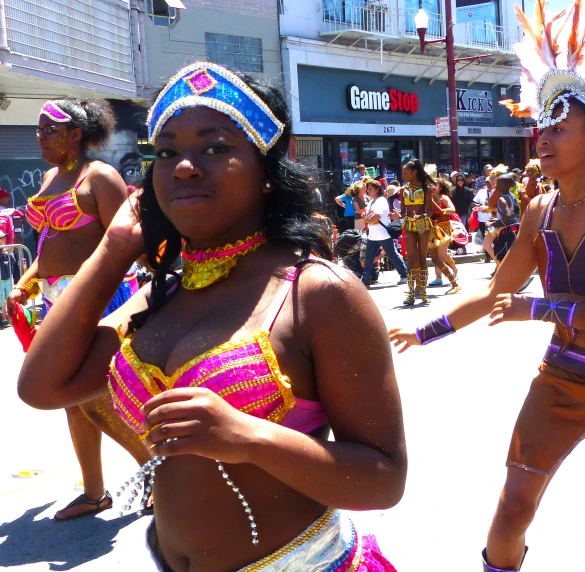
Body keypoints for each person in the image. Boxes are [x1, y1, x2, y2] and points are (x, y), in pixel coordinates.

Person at [17, 62, 406, 571]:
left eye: (216, 147)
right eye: (167, 152)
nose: (183, 166)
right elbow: (43, 387)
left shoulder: (317, 291)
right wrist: (113, 250)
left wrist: (249, 438)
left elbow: (384, 479)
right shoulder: (162, 295)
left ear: (267, 171)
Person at [395, 3, 585, 571]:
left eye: (558, 128)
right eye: (542, 127)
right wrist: (422, 330)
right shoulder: (537, 210)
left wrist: (542, 306)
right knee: (511, 510)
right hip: (563, 374)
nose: (543, 138)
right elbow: (495, 294)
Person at [4, 99, 149, 521]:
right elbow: (49, 245)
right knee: (71, 399)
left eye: (50, 129)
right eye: (38, 129)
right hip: (55, 299)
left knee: (92, 398)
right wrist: (27, 280)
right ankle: (95, 492)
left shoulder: (100, 177)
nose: (41, 136)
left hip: (98, 300)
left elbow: (128, 243)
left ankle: (159, 472)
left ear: (76, 135)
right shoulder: (51, 176)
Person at [361, 178, 408, 288]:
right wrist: (367, 218)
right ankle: (365, 280)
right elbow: (369, 217)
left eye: (370, 189)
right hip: (372, 235)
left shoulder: (381, 201)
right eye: (367, 189)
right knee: (368, 258)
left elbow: (376, 216)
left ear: (377, 189)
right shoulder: (371, 202)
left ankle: (404, 275)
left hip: (383, 234)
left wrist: (366, 219)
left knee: (392, 255)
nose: (368, 191)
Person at [400, 159, 434, 305]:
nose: (403, 175)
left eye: (405, 172)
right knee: (411, 258)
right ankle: (411, 293)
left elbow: (430, 211)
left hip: (422, 224)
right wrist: (396, 215)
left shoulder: (426, 189)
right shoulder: (403, 190)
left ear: (414, 173)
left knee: (421, 257)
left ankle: (423, 292)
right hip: (409, 224)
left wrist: (422, 216)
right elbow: (402, 212)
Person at [427, 178, 461, 294]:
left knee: (441, 254)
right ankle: (438, 278)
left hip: (444, 228)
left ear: (441, 187)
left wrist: (441, 210)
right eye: (432, 185)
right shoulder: (428, 197)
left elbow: (453, 210)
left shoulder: (444, 198)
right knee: (436, 254)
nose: (433, 187)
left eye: (436, 185)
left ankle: (455, 270)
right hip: (433, 228)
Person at [481, 174, 520, 270]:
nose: (496, 185)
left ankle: (504, 272)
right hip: (514, 228)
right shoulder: (512, 196)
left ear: (504, 186)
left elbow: (507, 216)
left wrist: (494, 224)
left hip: (507, 230)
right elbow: (516, 214)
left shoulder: (502, 199)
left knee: (503, 254)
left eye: (498, 184)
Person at [0, 230, 14, 328]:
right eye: (2, 238)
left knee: (9, 298)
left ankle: (11, 318)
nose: (4, 239)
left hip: (8, 278)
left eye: (4, 237)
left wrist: (9, 254)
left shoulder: (7, 250)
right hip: (0, 280)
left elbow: (13, 262)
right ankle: (3, 318)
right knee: (1, 301)